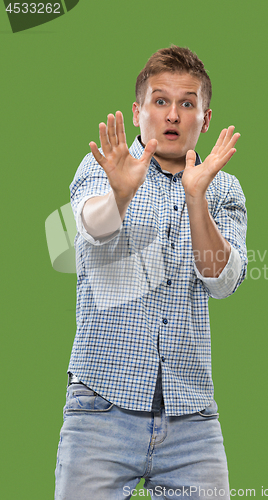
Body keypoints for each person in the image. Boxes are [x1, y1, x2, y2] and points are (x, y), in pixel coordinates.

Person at [55, 46, 247, 500]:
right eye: (160, 101)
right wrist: (121, 195)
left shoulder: (225, 188)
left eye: (187, 103)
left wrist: (197, 199)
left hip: (192, 420)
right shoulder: (106, 167)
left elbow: (222, 280)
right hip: (101, 407)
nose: (173, 114)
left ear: (205, 115)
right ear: (139, 110)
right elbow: (91, 231)